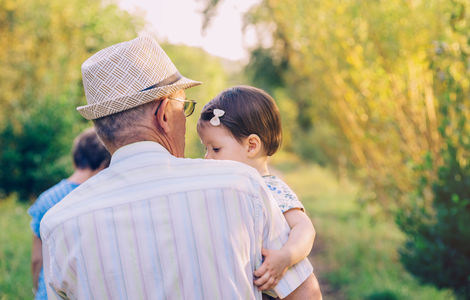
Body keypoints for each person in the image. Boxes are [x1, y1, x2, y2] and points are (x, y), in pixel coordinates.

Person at [40, 34, 321, 299]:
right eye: (184, 109)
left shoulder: (58, 225)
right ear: (163, 114)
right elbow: (305, 295)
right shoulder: (242, 187)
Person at [197, 86, 316, 296]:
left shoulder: (270, 188)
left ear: (251, 146)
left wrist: (286, 256)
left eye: (215, 149)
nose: (207, 157)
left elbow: (304, 228)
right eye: (205, 148)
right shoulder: (225, 191)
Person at [28, 128, 110, 300]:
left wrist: (37, 289)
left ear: (75, 159)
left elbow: (37, 259)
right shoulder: (103, 197)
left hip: (49, 293)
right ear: (104, 164)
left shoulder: (46, 199)